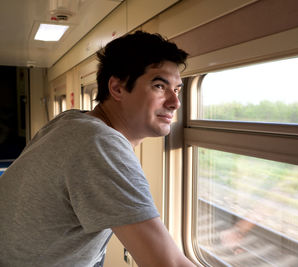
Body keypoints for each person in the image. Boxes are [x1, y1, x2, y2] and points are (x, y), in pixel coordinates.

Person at [0, 31, 195, 267]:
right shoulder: (99, 143)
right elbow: (168, 263)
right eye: (159, 85)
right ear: (117, 88)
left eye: (177, 90)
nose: (175, 102)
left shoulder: (70, 120)